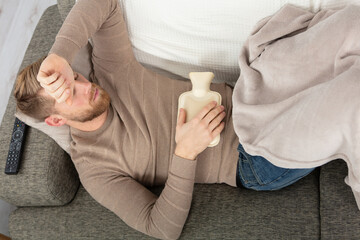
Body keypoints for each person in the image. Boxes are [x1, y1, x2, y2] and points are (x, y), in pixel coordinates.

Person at [14, 0, 315, 239]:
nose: (85, 87)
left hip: (254, 95)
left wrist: (60, 56)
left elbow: (102, 2)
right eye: (69, 94)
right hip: (253, 157)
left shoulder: (110, 71)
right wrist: (185, 153)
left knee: (333, 45)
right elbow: (160, 227)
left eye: (74, 77)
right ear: (55, 121)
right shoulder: (94, 169)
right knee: (337, 111)